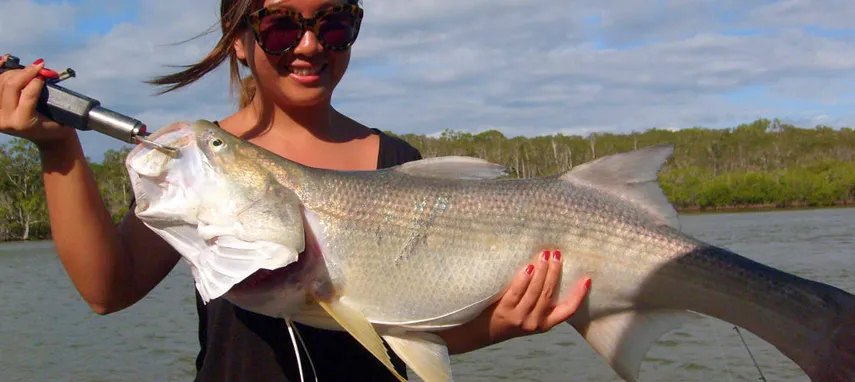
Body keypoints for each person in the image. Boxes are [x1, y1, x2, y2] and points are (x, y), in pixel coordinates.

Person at [0, 0, 592, 380]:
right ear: (239, 38)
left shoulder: (397, 163)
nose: (310, 46)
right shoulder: (201, 169)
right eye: (282, 26)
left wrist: (501, 325)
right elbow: (110, 289)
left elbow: (411, 333)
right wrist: (59, 148)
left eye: (334, 24)